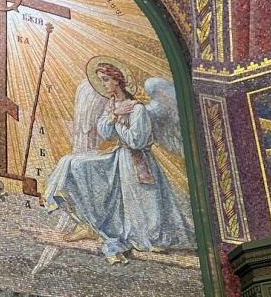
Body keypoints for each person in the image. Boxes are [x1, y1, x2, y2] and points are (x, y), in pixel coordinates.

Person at [44, 61, 194, 264]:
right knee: (73, 163)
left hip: (137, 162)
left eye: (106, 79)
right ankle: (90, 222)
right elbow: (105, 133)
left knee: (143, 220)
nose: (103, 84)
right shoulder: (112, 106)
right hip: (119, 157)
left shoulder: (137, 109)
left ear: (117, 80)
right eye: (101, 80)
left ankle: (135, 234)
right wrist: (113, 116)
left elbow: (136, 141)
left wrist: (118, 121)